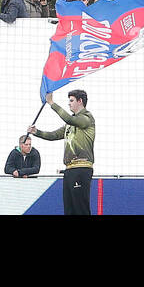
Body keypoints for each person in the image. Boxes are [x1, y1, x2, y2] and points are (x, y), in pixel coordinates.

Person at [29, 88, 96, 216]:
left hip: (82, 168)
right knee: (69, 210)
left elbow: (69, 120)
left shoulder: (87, 118)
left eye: (71, 100)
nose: (69, 103)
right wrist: (36, 132)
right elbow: (54, 135)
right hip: (69, 169)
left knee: (80, 209)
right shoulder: (70, 124)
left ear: (80, 101)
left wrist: (52, 103)